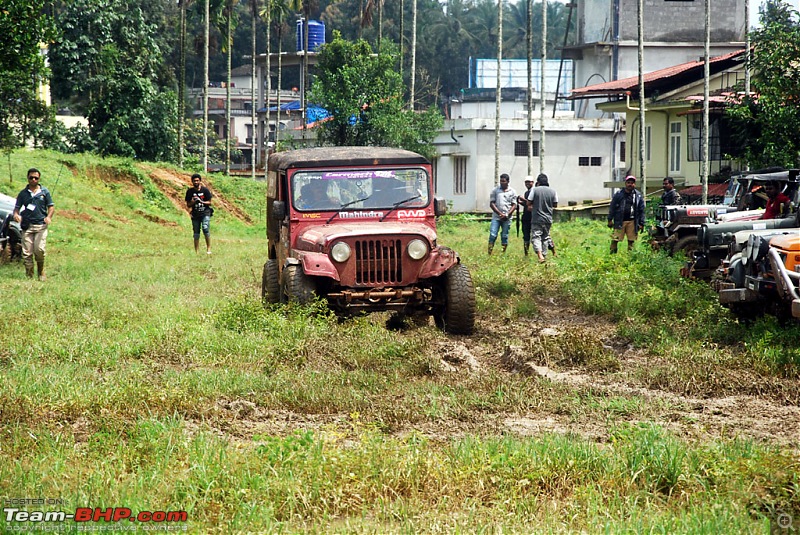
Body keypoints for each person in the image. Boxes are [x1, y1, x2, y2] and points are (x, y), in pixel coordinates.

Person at [13, 168, 54, 280]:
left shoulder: (44, 192)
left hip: (41, 225)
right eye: (31, 177)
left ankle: (41, 271)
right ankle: (29, 275)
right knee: (27, 253)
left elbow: (51, 207)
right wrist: (16, 215)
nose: (33, 180)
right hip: (27, 226)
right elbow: (16, 208)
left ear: (39, 178)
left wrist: (49, 217)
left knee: (39, 250)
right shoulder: (23, 193)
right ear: (28, 178)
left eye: (36, 178)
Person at [607, 175, 646, 254]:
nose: (630, 184)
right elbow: (612, 207)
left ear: (634, 184)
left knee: (631, 241)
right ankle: (612, 256)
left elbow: (642, 210)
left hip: (632, 221)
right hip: (619, 221)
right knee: (615, 240)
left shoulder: (638, 195)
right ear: (625, 183)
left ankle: (630, 257)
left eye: (632, 183)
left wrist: (642, 223)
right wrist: (610, 219)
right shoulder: (618, 194)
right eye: (628, 182)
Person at [526, 173, 559, 263]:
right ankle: (544, 256)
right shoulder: (553, 191)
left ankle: (540, 256)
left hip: (537, 218)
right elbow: (555, 204)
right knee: (545, 237)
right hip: (548, 218)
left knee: (536, 237)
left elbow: (528, 203)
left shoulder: (535, 190)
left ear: (538, 182)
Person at [488, 173, 517, 254]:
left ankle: (503, 253)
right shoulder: (495, 190)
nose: (502, 183)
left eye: (503, 181)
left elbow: (514, 205)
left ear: (508, 181)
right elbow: (492, 203)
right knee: (493, 235)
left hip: (507, 218)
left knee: (504, 236)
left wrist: (507, 214)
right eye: (501, 181)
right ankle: (489, 252)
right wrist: (500, 213)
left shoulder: (512, 191)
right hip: (496, 217)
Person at [185, 173, 213, 254]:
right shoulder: (190, 191)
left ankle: (208, 249)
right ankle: (196, 251)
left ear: (200, 181)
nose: (196, 182)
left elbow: (209, 202)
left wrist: (201, 201)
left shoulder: (205, 190)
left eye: (197, 180)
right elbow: (188, 204)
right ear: (192, 182)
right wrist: (193, 202)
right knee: (196, 233)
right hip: (195, 214)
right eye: (194, 181)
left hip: (205, 213)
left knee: (205, 228)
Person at [517, 176, 534, 256]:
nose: (527, 183)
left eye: (529, 182)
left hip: (533, 217)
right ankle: (526, 253)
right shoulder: (527, 192)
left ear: (533, 183)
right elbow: (527, 205)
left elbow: (532, 204)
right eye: (526, 182)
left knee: (535, 236)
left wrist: (523, 200)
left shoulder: (534, 192)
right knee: (526, 236)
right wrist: (520, 202)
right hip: (526, 217)